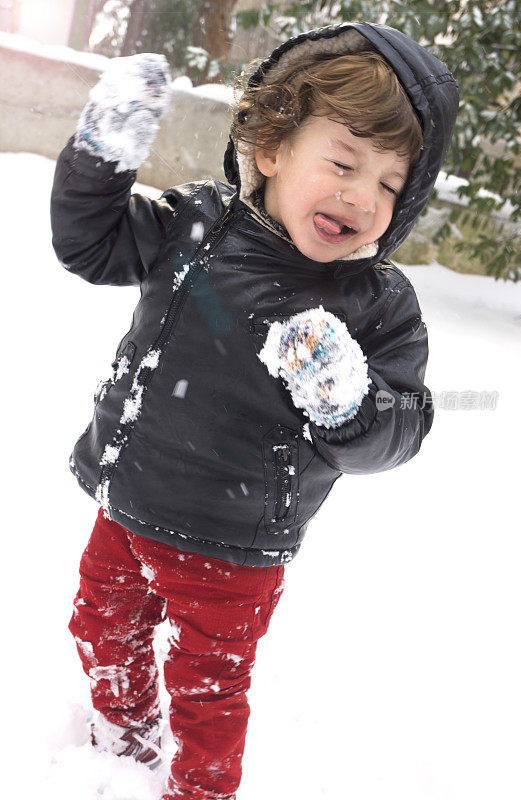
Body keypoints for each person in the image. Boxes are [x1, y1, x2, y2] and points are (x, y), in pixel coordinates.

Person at [50, 21, 458, 800]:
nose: (358, 195)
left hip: (233, 547)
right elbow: (92, 243)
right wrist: (100, 158)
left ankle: (197, 791)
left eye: (386, 183)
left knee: (208, 692)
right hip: (128, 498)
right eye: (341, 163)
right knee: (101, 630)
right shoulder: (195, 227)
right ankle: (118, 752)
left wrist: (348, 400)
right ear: (271, 149)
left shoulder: (376, 306)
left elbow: (401, 426)